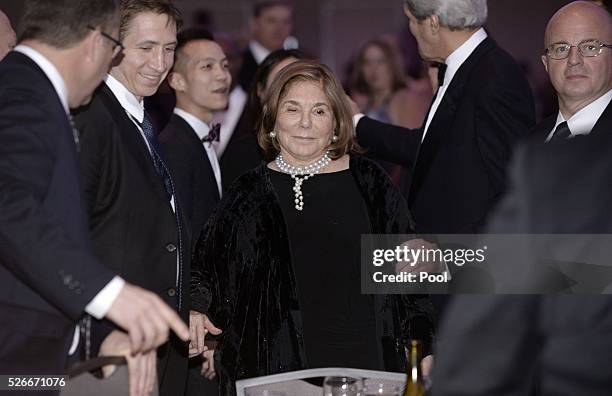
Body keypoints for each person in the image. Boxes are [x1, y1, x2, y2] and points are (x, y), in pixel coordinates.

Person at [193, 60, 435, 395]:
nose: (306, 123)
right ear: (273, 119)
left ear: (337, 122)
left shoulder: (370, 182)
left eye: (319, 111)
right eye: (293, 109)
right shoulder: (248, 192)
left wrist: (424, 347)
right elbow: (206, 269)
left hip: (370, 368)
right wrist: (197, 312)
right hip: (276, 375)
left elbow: (411, 280)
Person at [0, 1, 189, 394]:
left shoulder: (32, 91)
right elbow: (7, 203)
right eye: (115, 49)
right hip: (18, 358)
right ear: (94, 43)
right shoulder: (22, 90)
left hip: (44, 353)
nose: (109, 64)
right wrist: (110, 295)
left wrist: (99, 338)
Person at [73, 1, 199, 394]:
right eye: (145, 48)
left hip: (154, 338)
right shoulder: (92, 116)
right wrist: (99, 335)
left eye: (168, 48)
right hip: (110, 346)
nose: (160, 63)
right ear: (112, 44)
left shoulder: (142, 116)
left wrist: (186, 303)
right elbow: (68, 238)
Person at [354, 0, 536, 234]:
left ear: (432, 23)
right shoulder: (463, 70)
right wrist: (356, 123)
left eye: (410, 19)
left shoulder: (493, 76)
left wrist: (449, 255)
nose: (409, 29)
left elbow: (514, 194)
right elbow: (429, 148)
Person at [159, 28, 227, 394]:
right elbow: (181, 244)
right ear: (177, 79)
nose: (222, 75)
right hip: (193, 326)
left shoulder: (200, 142)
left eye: (224, 65)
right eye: (207, 66)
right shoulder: (174, 147)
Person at [220, 48, 309, 188]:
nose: (292, 91)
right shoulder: (242, 154)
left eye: (298, 80)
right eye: (279, 82)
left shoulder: (326, 145)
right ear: (260, 91)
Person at [350, 38, 432, 182]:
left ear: (392, 65)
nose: (373, 69)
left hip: (394, 185)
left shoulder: (405, 99)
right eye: (367, 62)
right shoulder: (363, 105)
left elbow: (413, 149)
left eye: (380, 61)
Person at [533, 0, 611, 143]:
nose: (574, 60)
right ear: (546, 64)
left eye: (590, 47)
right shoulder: (530, 140)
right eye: (561, 49)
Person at [238, 0, 293, 92]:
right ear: (254, 24)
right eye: (271, 21)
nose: (279, 28)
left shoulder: (295, 65)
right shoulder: (238, 66)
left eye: (285, 22)